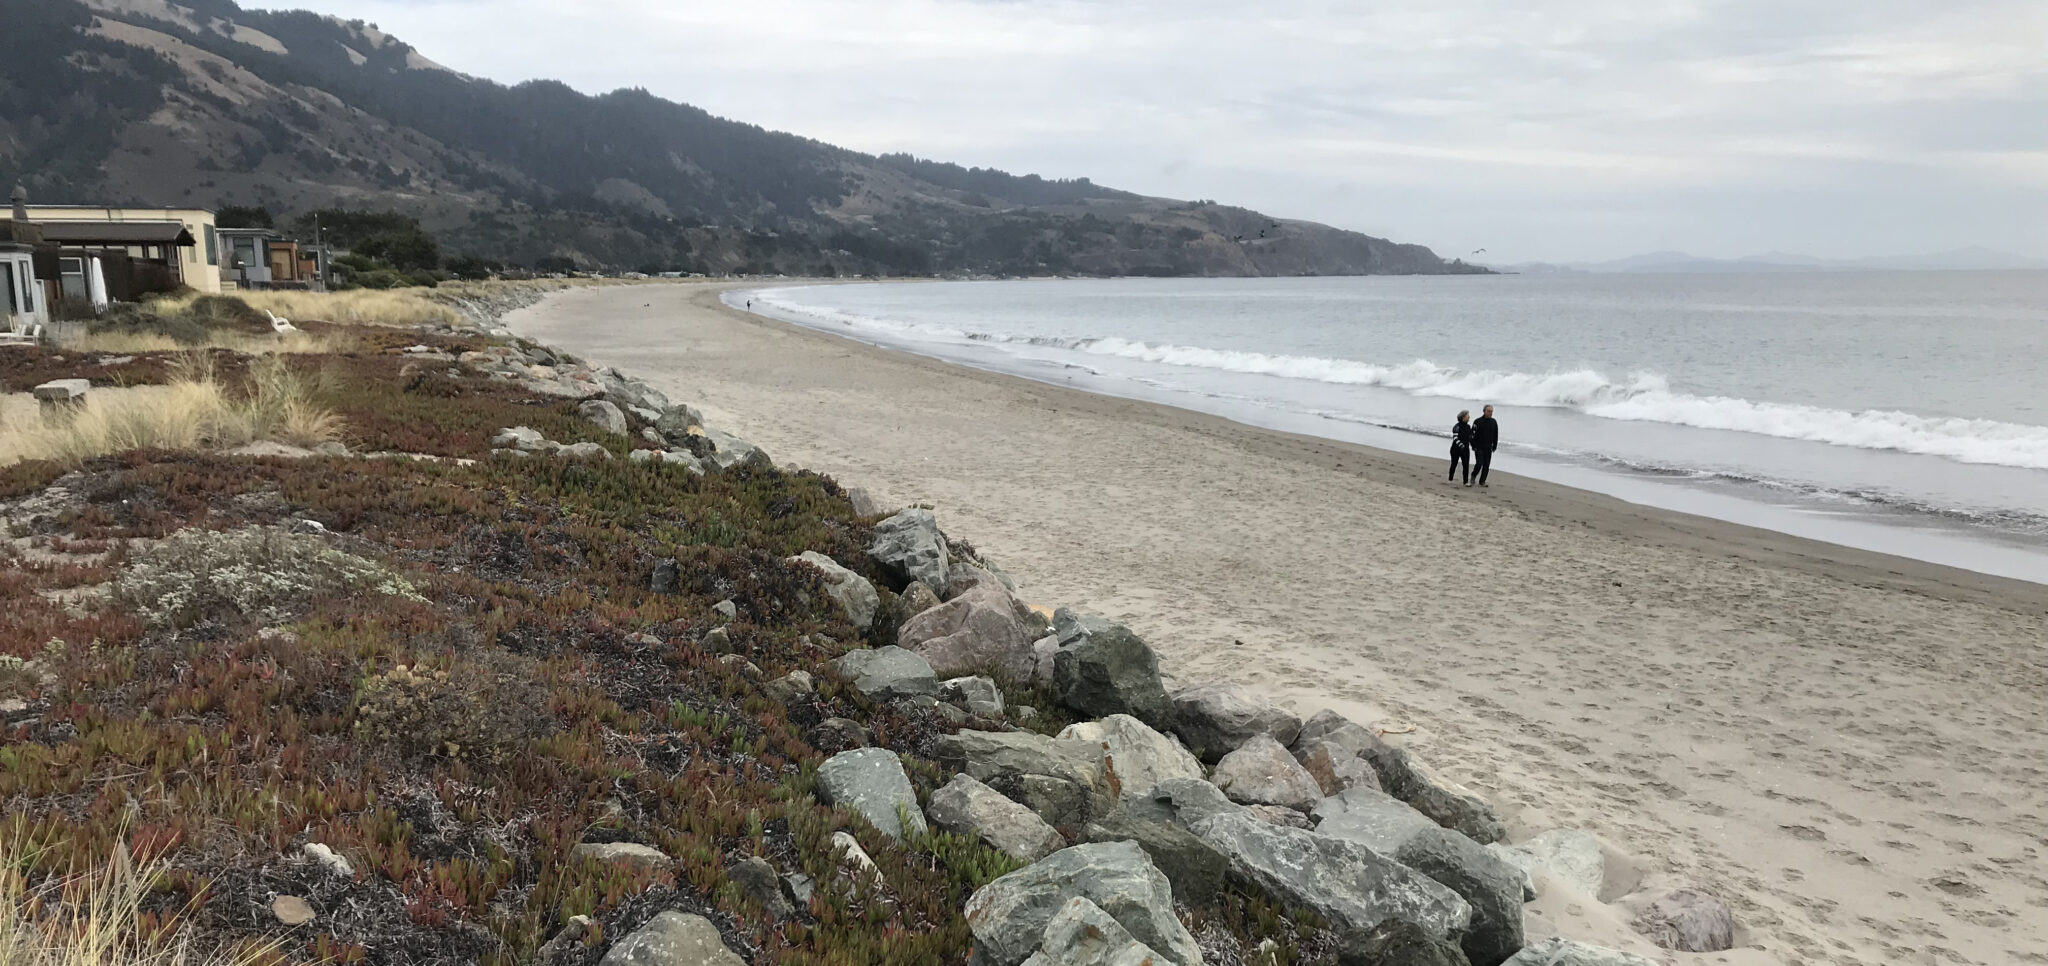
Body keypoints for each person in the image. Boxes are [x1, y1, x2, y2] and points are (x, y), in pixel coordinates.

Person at [1471, 405, 1499, 486]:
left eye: (1491, 411)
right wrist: (1473, 446)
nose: (1490, 413)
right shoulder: (1477, 421)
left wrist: (1494, 446)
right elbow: (1472, 435)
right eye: (1488, 411)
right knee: (1479, 463)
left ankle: (1482, 481)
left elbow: (1495, 435)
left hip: (1488, 447)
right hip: (1478, 446)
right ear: (1484, 411)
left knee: (1486, 465)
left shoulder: (1494, 422)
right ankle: (1473, 475)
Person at [1449, 410, 1473, 485]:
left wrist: (1474, 445)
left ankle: (1465, 481)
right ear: (1463, 417)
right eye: (1467, 416)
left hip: (1465, 449)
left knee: (1466, 465)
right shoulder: (1457, 426)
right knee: (1454, 464)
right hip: (1455, 449)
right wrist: (1461, 445)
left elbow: (1470, 438)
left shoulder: (1468, 427)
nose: (1469, 417)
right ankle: (1450, 478)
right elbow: (1455, 438)